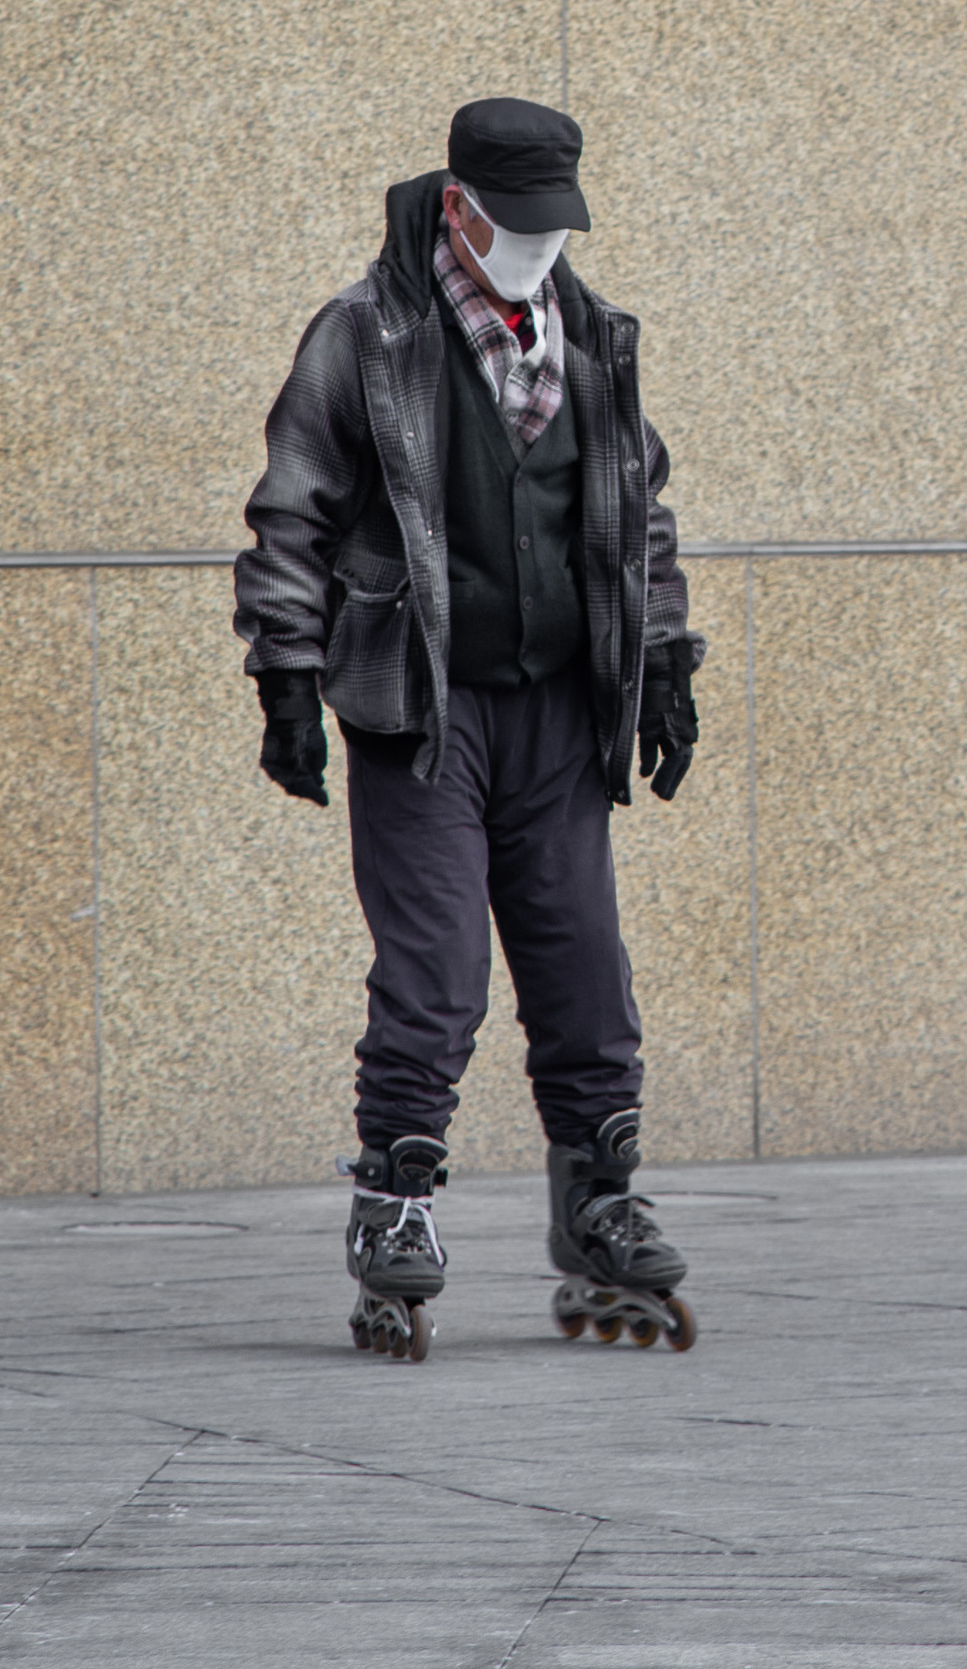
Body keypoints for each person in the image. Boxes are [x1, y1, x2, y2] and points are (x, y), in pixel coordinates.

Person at [232, 96, 703, 1355]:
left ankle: (597, 1202)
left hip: (561, 704)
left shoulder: (590, 333)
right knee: (434, 973)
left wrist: (663, 658)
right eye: (518, 225)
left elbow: (636, 505)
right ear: (459, 206)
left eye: (559, 226)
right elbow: (292, 509)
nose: (542, 248)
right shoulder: (366, 331)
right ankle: (396, 1205)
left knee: (583, 968)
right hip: (422, 709)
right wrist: (285, 674)